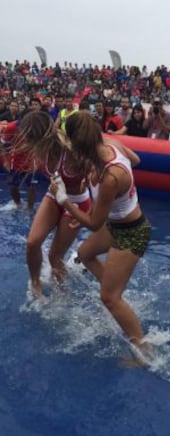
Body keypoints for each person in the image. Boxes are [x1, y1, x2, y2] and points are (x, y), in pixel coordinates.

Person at [50, 111, 152, 350]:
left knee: (108, 298)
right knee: (85, 254)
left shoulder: (110, 178)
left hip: (132, 231)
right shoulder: (112, 144)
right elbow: (135, 160)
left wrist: (65, 201)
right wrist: (91, 181)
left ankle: (145, 349)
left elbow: (94, 223)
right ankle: (116, 292)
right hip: (115, 223)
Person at [18, 110, 91, 297]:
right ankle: (35, 283)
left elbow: (101, 176)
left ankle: (61, 297)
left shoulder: (73, 152)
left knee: (54, 257)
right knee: (32, 242)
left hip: (75, 203)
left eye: (30, 140)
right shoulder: (39, 149)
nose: (26, 144)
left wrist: (90, 212)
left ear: (41, 138)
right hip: (54, 197)